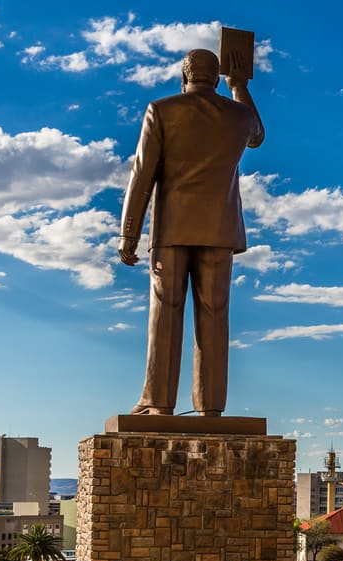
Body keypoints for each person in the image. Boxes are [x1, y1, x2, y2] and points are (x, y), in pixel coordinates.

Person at [118, 48, 264, 416]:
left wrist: (128, 234)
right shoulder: (239, 114)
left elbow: (142, 174)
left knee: (166, 312)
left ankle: (158, 403)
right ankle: (211, 408)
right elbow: (257, 136)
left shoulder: (163, 110)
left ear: (184, 77)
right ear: (215, 79)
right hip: (220, 229)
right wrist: (240, 88)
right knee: (215, 315)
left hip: (172, 229)